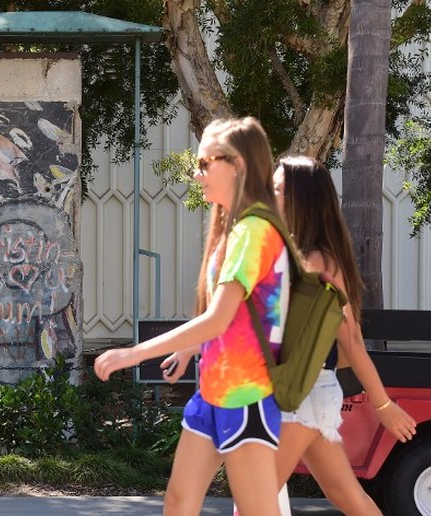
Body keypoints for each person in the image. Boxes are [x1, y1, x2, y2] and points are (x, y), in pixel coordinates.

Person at [164, 156, 418, 515]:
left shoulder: (318, 262)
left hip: (301, 393)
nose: (270, 195)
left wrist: (383, 406)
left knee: (254, 503)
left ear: (303, 199)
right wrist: (191, 347)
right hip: (297, 393)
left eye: (279, 189)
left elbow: (351, 340)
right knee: (347, 498)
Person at [94, 117, 289, 516]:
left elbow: (219, 319)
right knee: (179, 502)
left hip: (246, 398)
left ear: (236, 165)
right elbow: (236, 323)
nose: (196, 174)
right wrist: (189, 348)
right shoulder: (236, 231)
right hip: (213, 393)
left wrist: (134, 353)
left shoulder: (254, 231)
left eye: (204, 164)